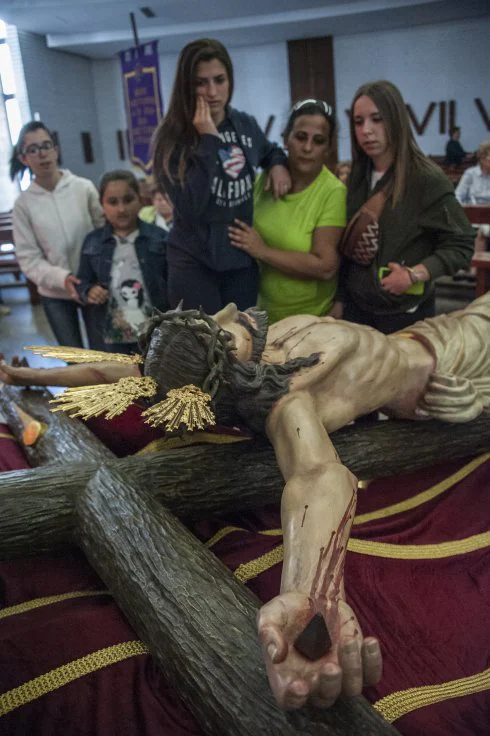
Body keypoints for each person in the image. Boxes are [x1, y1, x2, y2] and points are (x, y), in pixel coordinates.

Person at [2, 293, 490, 710]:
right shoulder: (283, 394)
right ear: (220, 381)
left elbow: (109, 370)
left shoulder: (249, 352)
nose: (228, 314)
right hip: (452, 370)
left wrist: (24, 378)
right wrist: (311, 593)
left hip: (424, 337)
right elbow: (316, 475)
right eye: (222, 331)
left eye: (215, 323)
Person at [153, 38, 291, 313]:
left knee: (243, 346)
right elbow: (192, 206)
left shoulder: (244, 124)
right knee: (203, 350)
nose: (212, 91)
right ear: (187, 86)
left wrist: (277, 163)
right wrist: (208, 140)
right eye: (201, 82)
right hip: (193, 262)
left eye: (220, 79)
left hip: (239, 259)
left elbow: (269, 151)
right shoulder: (171, 137)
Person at [339, 81, 474, 334]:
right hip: (356, 309)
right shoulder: (358, 175)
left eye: (377, 119)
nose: (367, 130)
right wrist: (339, 298)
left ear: (396, 120)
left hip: (404, 313)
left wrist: (415, 274)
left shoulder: (426, 178)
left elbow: (462, 243)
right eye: (359, 122)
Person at [228, 99, 346, 324]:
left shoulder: (333, 191)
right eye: (301, 137)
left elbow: (325, 266)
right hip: (259, 317)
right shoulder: (263, 181)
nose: (308, 148)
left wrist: (263, 251)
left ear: (329, 148)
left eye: (318, 141)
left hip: (312, 322)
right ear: (285, 138)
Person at [10, 121, 104, 346]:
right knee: (74, 360)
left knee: (104, 355)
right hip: (55, 293)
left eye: (46, 145)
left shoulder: (83, 187)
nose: (42, 154)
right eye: (33, 150)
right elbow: (28, 257)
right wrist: (61, 278)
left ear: (56, 149)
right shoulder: (24, 204)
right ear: (24, 158)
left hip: (93, 285)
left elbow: (103, 234)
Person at [76, 170, 168, 354]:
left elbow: (173, 283)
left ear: (140, 200)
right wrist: (90, 291)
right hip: (113, 335)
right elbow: (82, 282)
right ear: (102, 205)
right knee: (119, 381)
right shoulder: (93, 243)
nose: (121, 209)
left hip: (155, 332)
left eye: (128, 200)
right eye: (113, 202)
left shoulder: (159, 237)